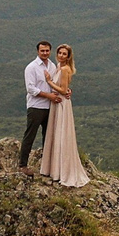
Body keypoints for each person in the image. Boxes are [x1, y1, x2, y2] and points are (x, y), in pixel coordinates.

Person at [41, 43, 90, 187]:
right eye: (60, 53)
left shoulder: (64, 69)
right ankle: (56, 169)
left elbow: (63, 90)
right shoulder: (59, 67)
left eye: (64, 54)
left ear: (68, 57)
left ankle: (61, 171)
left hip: (61, 103)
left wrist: (49, 82)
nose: (61, 55)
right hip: (58, 103)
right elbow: (66, 88)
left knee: (61, 134)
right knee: (58, 133)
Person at [20, 40, 59, 173]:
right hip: (36, 106)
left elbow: (56, 83)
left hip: (50, 107)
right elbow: (31, 89)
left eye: (47, 50)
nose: (45, 53)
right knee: (30, 135)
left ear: (50, 51)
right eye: (42, 50)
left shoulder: (52, 66)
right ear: (38, 51)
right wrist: (49, 96)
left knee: (48, 137)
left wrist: (65, 91)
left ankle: (47, 166)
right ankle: (23, 165)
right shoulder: (31, 67)